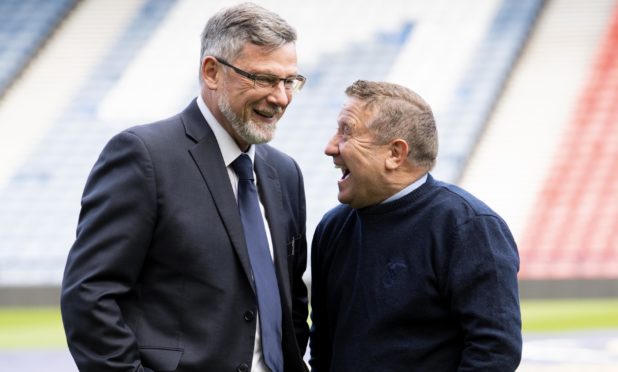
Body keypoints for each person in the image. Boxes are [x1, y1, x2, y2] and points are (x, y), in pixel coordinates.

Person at [61, 3, 310, 371]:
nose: (281, 97)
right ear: (211, 72)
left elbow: (292, 306)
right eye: (263, 79)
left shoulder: (285, 173)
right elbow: (90, 297)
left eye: (289, 81)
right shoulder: (144, 156)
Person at [309, 80, 522, 371]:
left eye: (347, 132)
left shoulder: (468, 227)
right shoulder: (332, 228)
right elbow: (322, 347)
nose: (330, 147)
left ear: (395, 154)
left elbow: (495, 352)